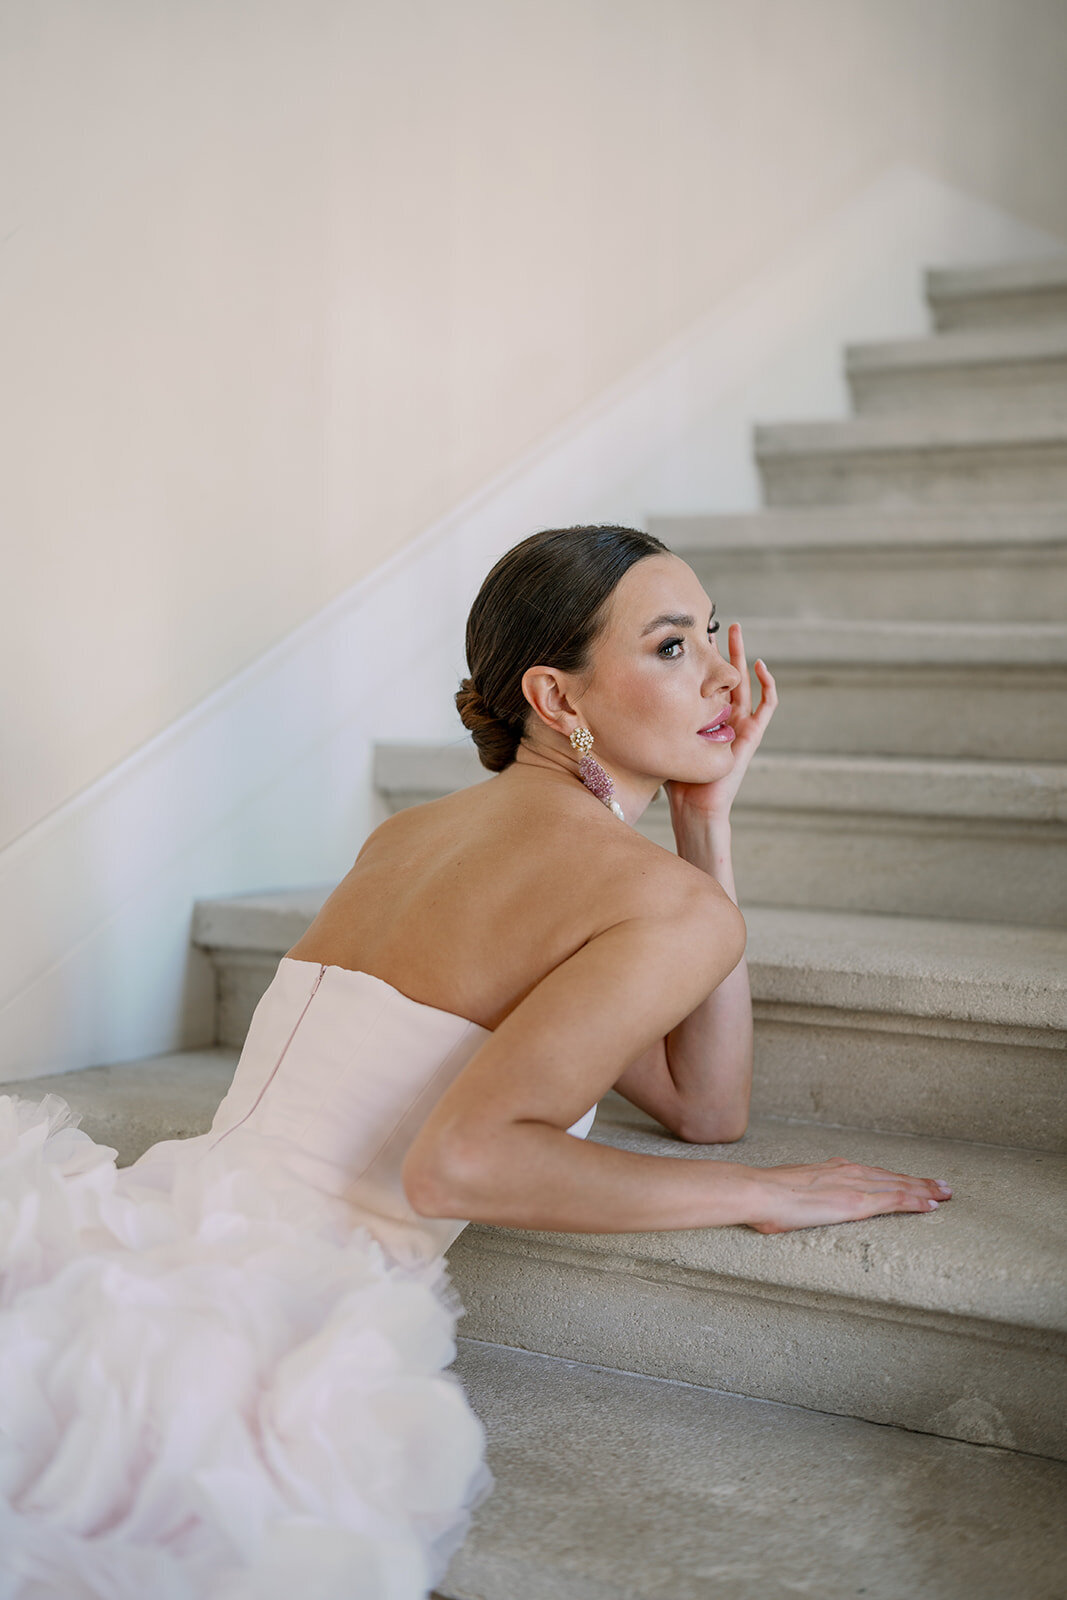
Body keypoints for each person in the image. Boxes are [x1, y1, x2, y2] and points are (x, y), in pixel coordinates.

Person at [0, 524, 952, 1600]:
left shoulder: (407, 838)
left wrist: (702, 825)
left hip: (166, 1219)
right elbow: (466, 1163)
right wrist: (758, 1193)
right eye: (674, 646)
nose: (726, 676)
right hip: (278, 1315)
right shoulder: (642, 899)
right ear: (556, 697)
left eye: (715, 635)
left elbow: (695, 1098)